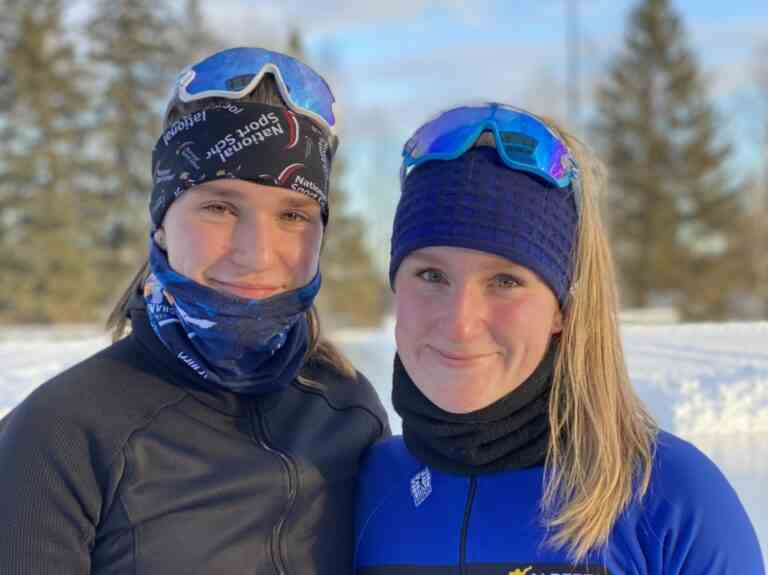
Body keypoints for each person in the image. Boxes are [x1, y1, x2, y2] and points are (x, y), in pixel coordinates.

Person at [0, 47, 389, 574]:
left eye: (294, 214)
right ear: (161, 220)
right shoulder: (61, 435)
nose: (256, 253)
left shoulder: (349, 410)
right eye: (220, 207)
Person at [354, 103, 764, 574]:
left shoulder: (668, 498)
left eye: (505, 281)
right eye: (430, 274)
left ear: (561, 309)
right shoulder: (365, 488)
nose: (460, 323)